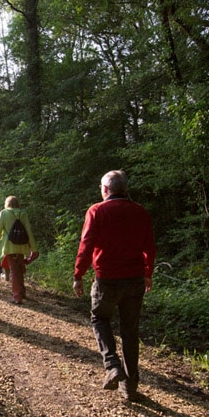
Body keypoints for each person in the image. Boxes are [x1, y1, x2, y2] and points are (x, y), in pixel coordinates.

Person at [73, 170, 156, 402]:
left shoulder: (97, 211)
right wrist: (148, 272)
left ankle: (112, 365)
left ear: (106, 189)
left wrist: (78, 274)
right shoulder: (140, 212)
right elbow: (150, 245)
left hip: (107, 279)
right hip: (135, 279)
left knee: (100, 319)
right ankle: (130, 387)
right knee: (130, 331)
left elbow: (86, 245)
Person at [0, 196, 38, 303]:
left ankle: (16, 295)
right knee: (20, 268)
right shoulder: (23, 213)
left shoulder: (4, 213)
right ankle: (22, 291)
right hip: (22, 245)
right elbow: (28, 231)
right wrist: (33, 248)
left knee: (14, 270)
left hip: (9, 246)